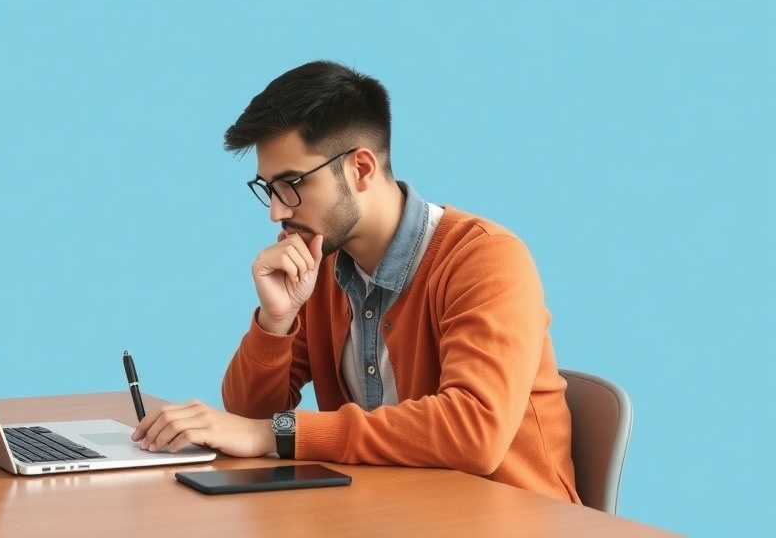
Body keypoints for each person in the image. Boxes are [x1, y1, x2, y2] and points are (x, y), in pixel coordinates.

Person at [132, 60, 580, 503]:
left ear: (360, 169)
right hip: (385, 516)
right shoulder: (322, 264)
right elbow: (248, 419)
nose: (277, 212)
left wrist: (277, 433)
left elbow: (474, 432)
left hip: (512, 520)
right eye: (268, 189)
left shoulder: (484, 259)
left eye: (292, 184)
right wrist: (276, 321)